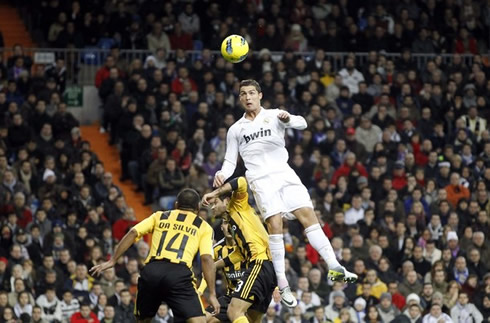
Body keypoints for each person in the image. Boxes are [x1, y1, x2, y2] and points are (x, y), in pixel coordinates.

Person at [213, 79, 357, 307]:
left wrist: (289, 119)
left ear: (260, 95)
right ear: (240, 98)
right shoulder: (236, 129)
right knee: (276, 225)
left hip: (285, 175)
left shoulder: (275, 115)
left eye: (252, 93)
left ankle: (334, 266)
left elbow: (303, 123)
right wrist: (222, 173)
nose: (248, 97)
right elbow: (230, 160)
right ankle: (283, 284)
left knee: (309, 216)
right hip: (261, 180)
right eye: (243, 94)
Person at [90, 188, 219, 323]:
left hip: (152, 270)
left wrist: (113, 260)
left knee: (142, 320)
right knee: (199, 321)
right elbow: (206, 258)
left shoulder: (159, 216)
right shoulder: (203, 226)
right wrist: (212, 294)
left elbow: (133, 232)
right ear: (198, 208)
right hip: (179, 273)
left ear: (176, 205)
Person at [202, 176, 278, 323]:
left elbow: (242, 181)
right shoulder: (231, 224)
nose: (212, 208)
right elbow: (239, 253)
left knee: (234, 311)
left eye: (215, 203)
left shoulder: (238, 205)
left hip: (260, 263)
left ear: (225, 201)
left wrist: (215, 192)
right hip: (266, 268)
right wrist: (215, 265)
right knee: (250, 319)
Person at [198, 218, 247, 323]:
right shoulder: (217, 249)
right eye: (225, 223)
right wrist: (200, 291)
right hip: (230, 297)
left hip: (248, 298)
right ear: (221, 227)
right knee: (204, 319)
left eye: (231, 223)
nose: (228, 226)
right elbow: (208, 270)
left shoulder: (246, 247)